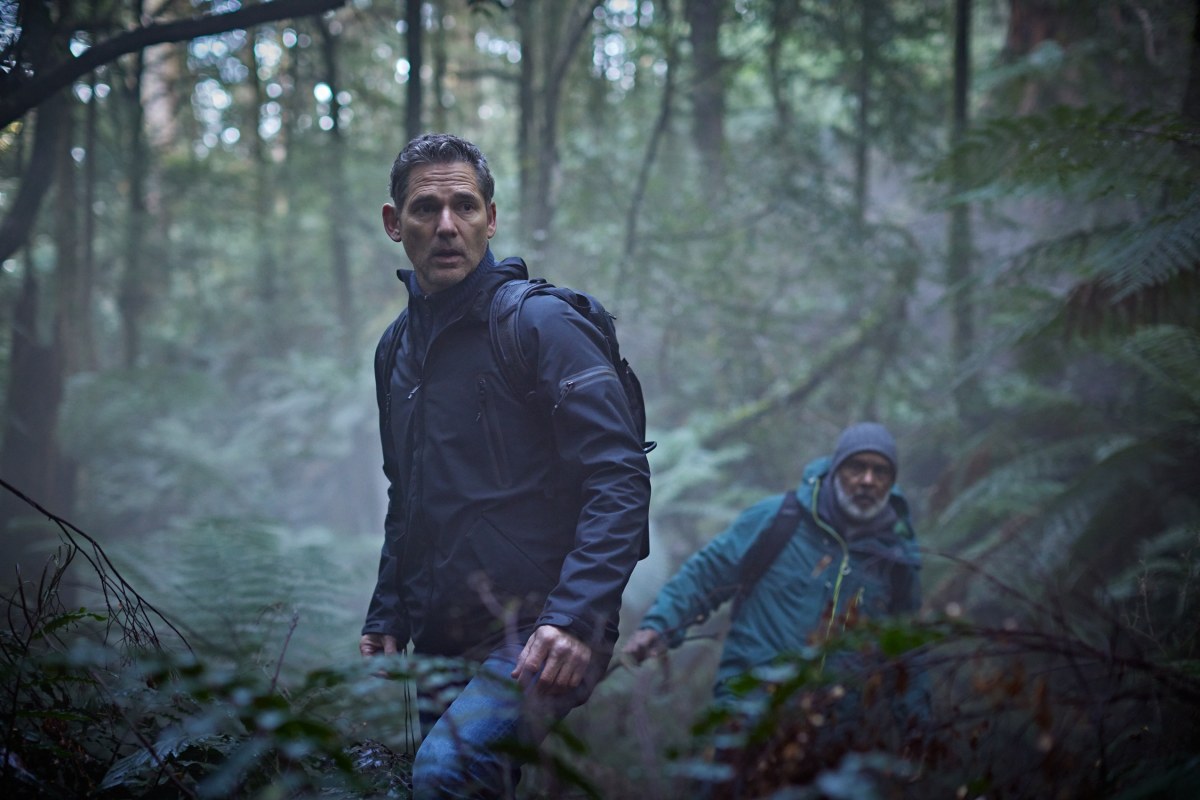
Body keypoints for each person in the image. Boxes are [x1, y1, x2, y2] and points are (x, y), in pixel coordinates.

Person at [359, 133, 652, 798]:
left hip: (545, 626)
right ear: (392, 222)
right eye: (425, 208)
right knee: (461, 784)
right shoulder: (395, 351)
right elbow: (407, 494)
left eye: (464, 206)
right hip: (441, 633)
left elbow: (619, 476)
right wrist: (388, 614)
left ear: (491, 218)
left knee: (445, 772)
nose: (445, 226)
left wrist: (575, 617)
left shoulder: (541, 324)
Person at [623, 422, 922, 708]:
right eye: (857, 467)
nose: (868, 480)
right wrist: (658, 625)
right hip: (749, 710)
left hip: (840, 730)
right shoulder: (780, 518)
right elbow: (707, 573)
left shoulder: (896, 557)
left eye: (880, 471)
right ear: (835, 471)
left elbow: (905, 650)